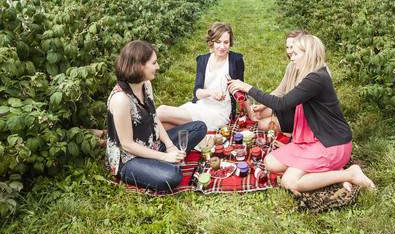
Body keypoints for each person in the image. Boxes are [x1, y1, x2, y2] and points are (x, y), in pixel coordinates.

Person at [227, 34, 376, 193]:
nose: (292, 58)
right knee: (270, 162)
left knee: (290, 182)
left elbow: (281, 104)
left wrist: (246, 87)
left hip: (331, 144)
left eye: (296, 54)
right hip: (312, 141)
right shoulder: (313, 74)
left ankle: (349, 174)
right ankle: (332, 174)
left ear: (308, 54)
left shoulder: (317, 78)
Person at [105, 40, 207, 191]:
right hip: (130, 159)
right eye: (154, 63)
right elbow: (127, 144)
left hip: (152, 145)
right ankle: (162, 164)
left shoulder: (145, 84)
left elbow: (154, 118)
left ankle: (161, 161)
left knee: (199, 127)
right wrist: (166, 157)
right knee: (173, 176)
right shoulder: (121, 99)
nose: (157, 67)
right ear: (139, 65)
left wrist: (170, 146)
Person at [157, 22, 245, 131]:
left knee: (161, 111)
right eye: (218, 42)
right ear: (211, 42)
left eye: (226, 42)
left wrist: (251, 113)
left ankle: (138, 136)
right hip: (200, 105)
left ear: (230, 42)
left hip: (219, 112)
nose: (222, 47)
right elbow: (197, 92)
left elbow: (242, 90)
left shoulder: (235, 60)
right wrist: (211, 92)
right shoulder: (203, 60)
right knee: (164, 125)